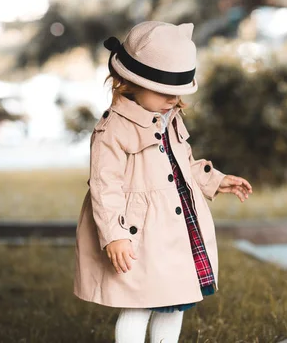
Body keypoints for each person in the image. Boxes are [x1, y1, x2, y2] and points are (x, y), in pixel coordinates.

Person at [73, 21, 253, 343]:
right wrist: (114, 235)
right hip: (139, 232)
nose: (172, 98)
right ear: (129, 82)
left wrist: (216, 180)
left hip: (175, 229)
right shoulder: (114, 129)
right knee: (139, 302)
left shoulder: (170, 119)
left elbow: (182, 163)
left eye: (177, 92)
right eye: (163, 90)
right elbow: (104, 186)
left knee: (174, 301)